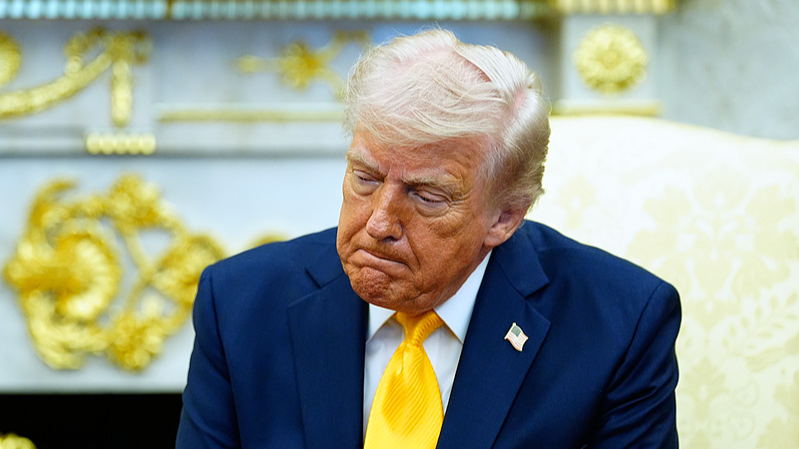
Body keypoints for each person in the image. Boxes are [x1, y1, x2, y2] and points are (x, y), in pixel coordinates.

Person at [176, 29, 680, 449]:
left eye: (426, 196)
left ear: (504, 216)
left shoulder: (619, 324)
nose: (378, 223)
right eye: (365, 177)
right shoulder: (239, 304)